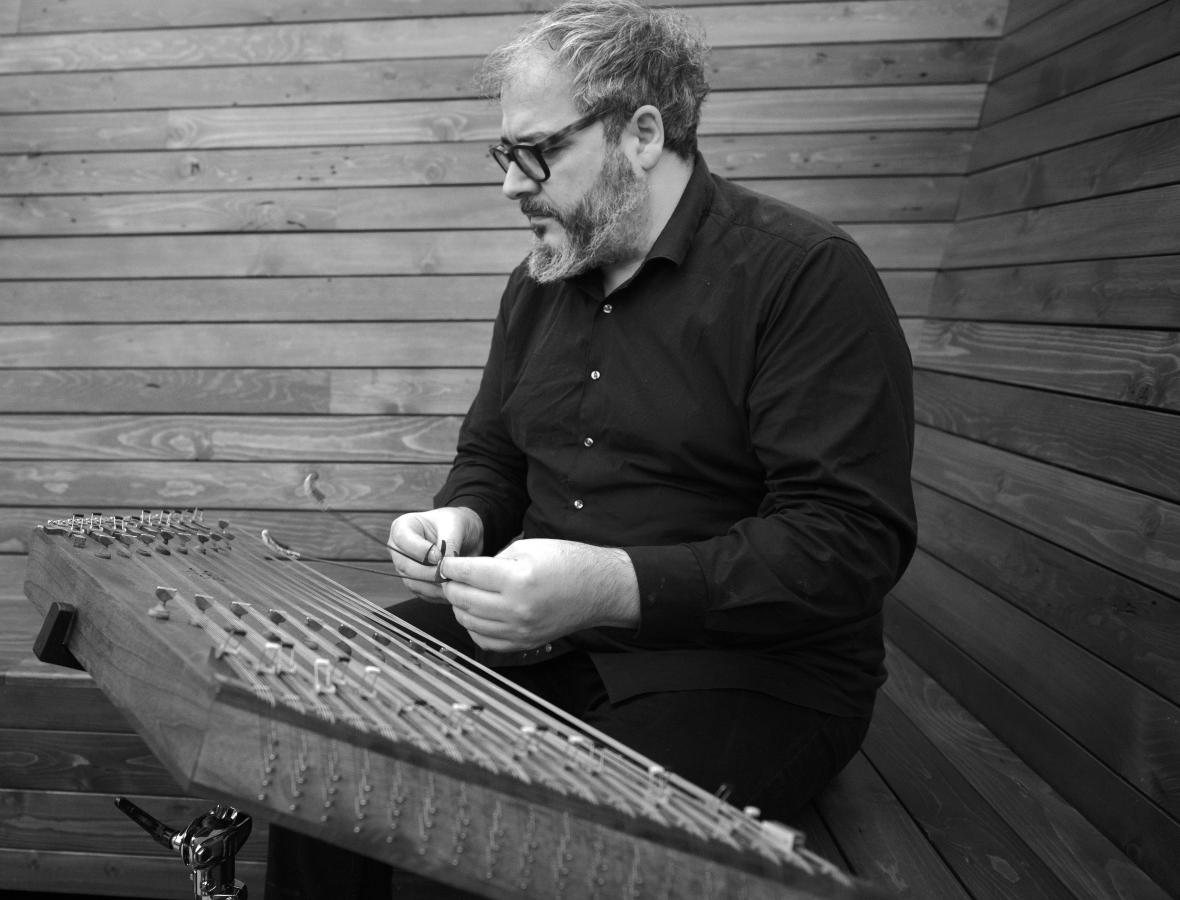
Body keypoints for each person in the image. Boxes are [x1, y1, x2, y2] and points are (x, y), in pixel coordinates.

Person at [265, 1, 916, 896]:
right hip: (541, 642)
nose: (510, 185)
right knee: (319, 744)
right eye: (504, 155)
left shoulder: (805, 275)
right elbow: (493, 454)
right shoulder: (537, 285)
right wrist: (457, 518)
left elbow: (848, 543)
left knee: (484, 838)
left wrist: (608, 585)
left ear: (642, 134)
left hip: (751, 677)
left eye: (537, 152)